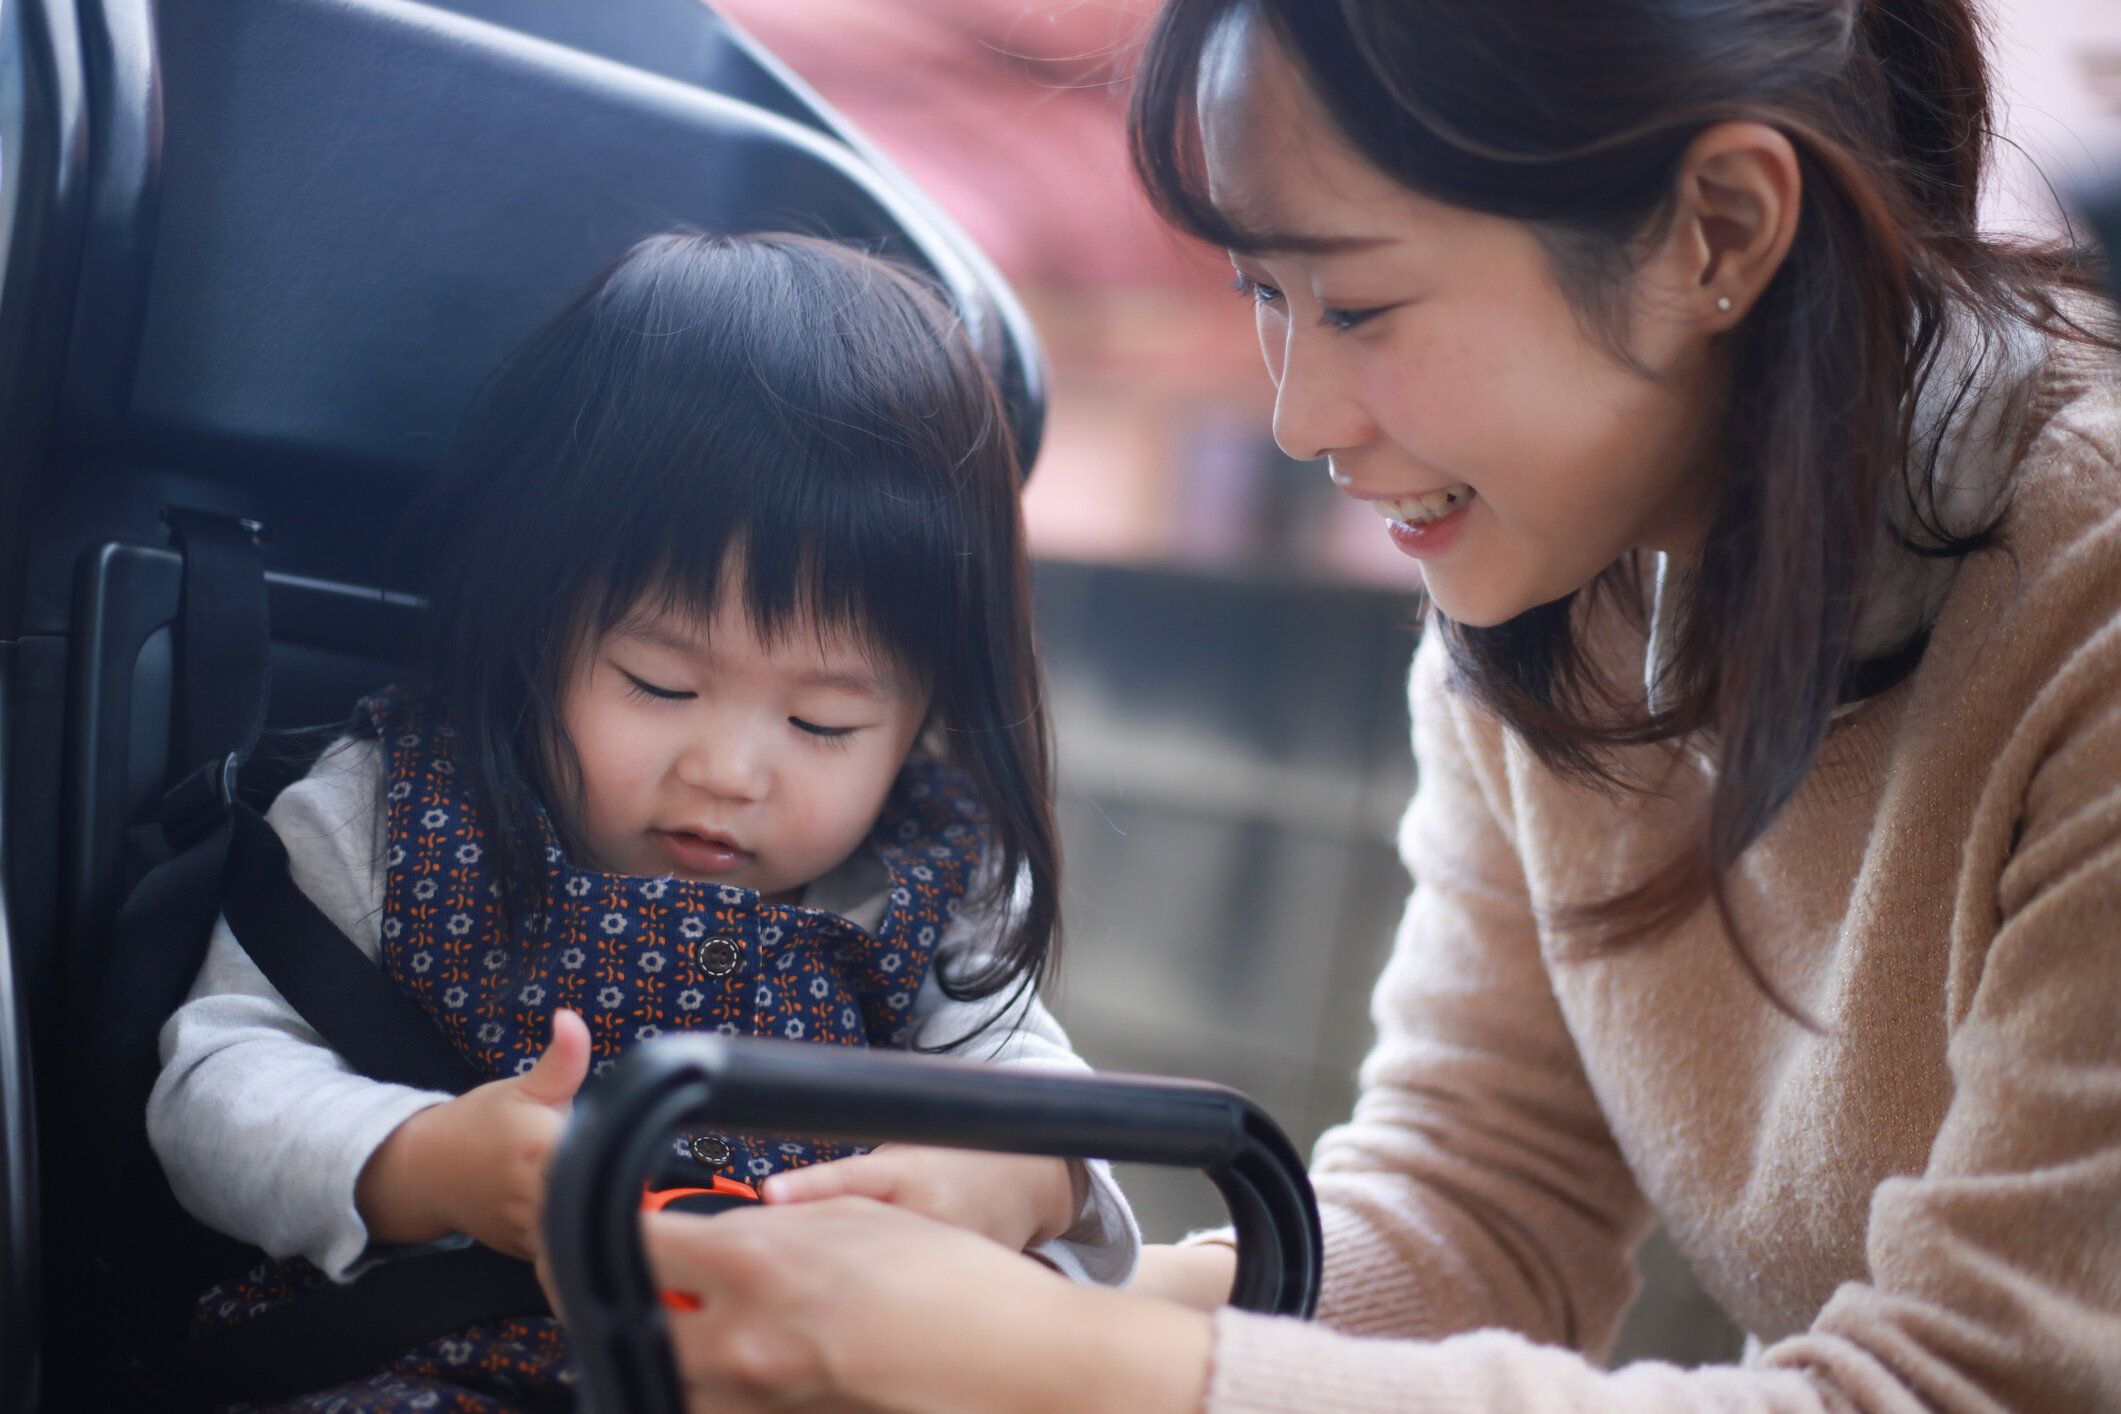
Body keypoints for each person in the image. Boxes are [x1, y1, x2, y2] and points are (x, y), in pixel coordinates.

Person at [624, 1, 2121, 1409]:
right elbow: (1479, 1203)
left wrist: (1084, 1362)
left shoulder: (2083, 611)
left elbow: (1973, 1387)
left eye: (1358, 303)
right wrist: (1067, 1299)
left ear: (1717, 229)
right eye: (1264, 295)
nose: (1299, 417)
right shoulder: (1565, 574)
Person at [146, 231, 1139, 1413]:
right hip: (435, 1362)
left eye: (824, 722)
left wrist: (1014, 1178)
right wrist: (429, 1162)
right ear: (541, 621)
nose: (728, 769)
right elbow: (216, 1081)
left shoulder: (929, 880)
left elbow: (1038, 1089)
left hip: (792, 1369)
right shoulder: (400, 809)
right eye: (661, 686)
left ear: (927, 711)